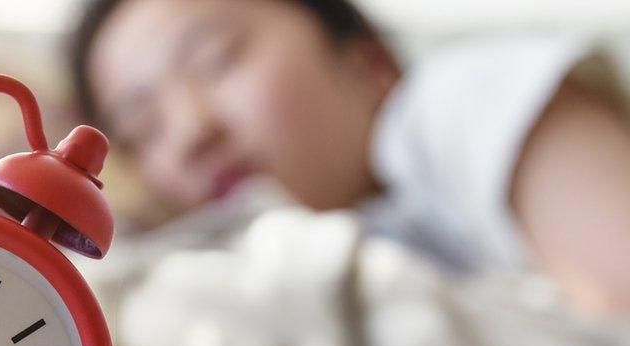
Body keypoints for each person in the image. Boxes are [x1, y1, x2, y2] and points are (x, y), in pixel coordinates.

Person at [70, 0, 630, 316]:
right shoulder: (243, 279)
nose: (192, 132)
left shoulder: (463, 95)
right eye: (144, 127)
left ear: (367, 66)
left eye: (217, 61)